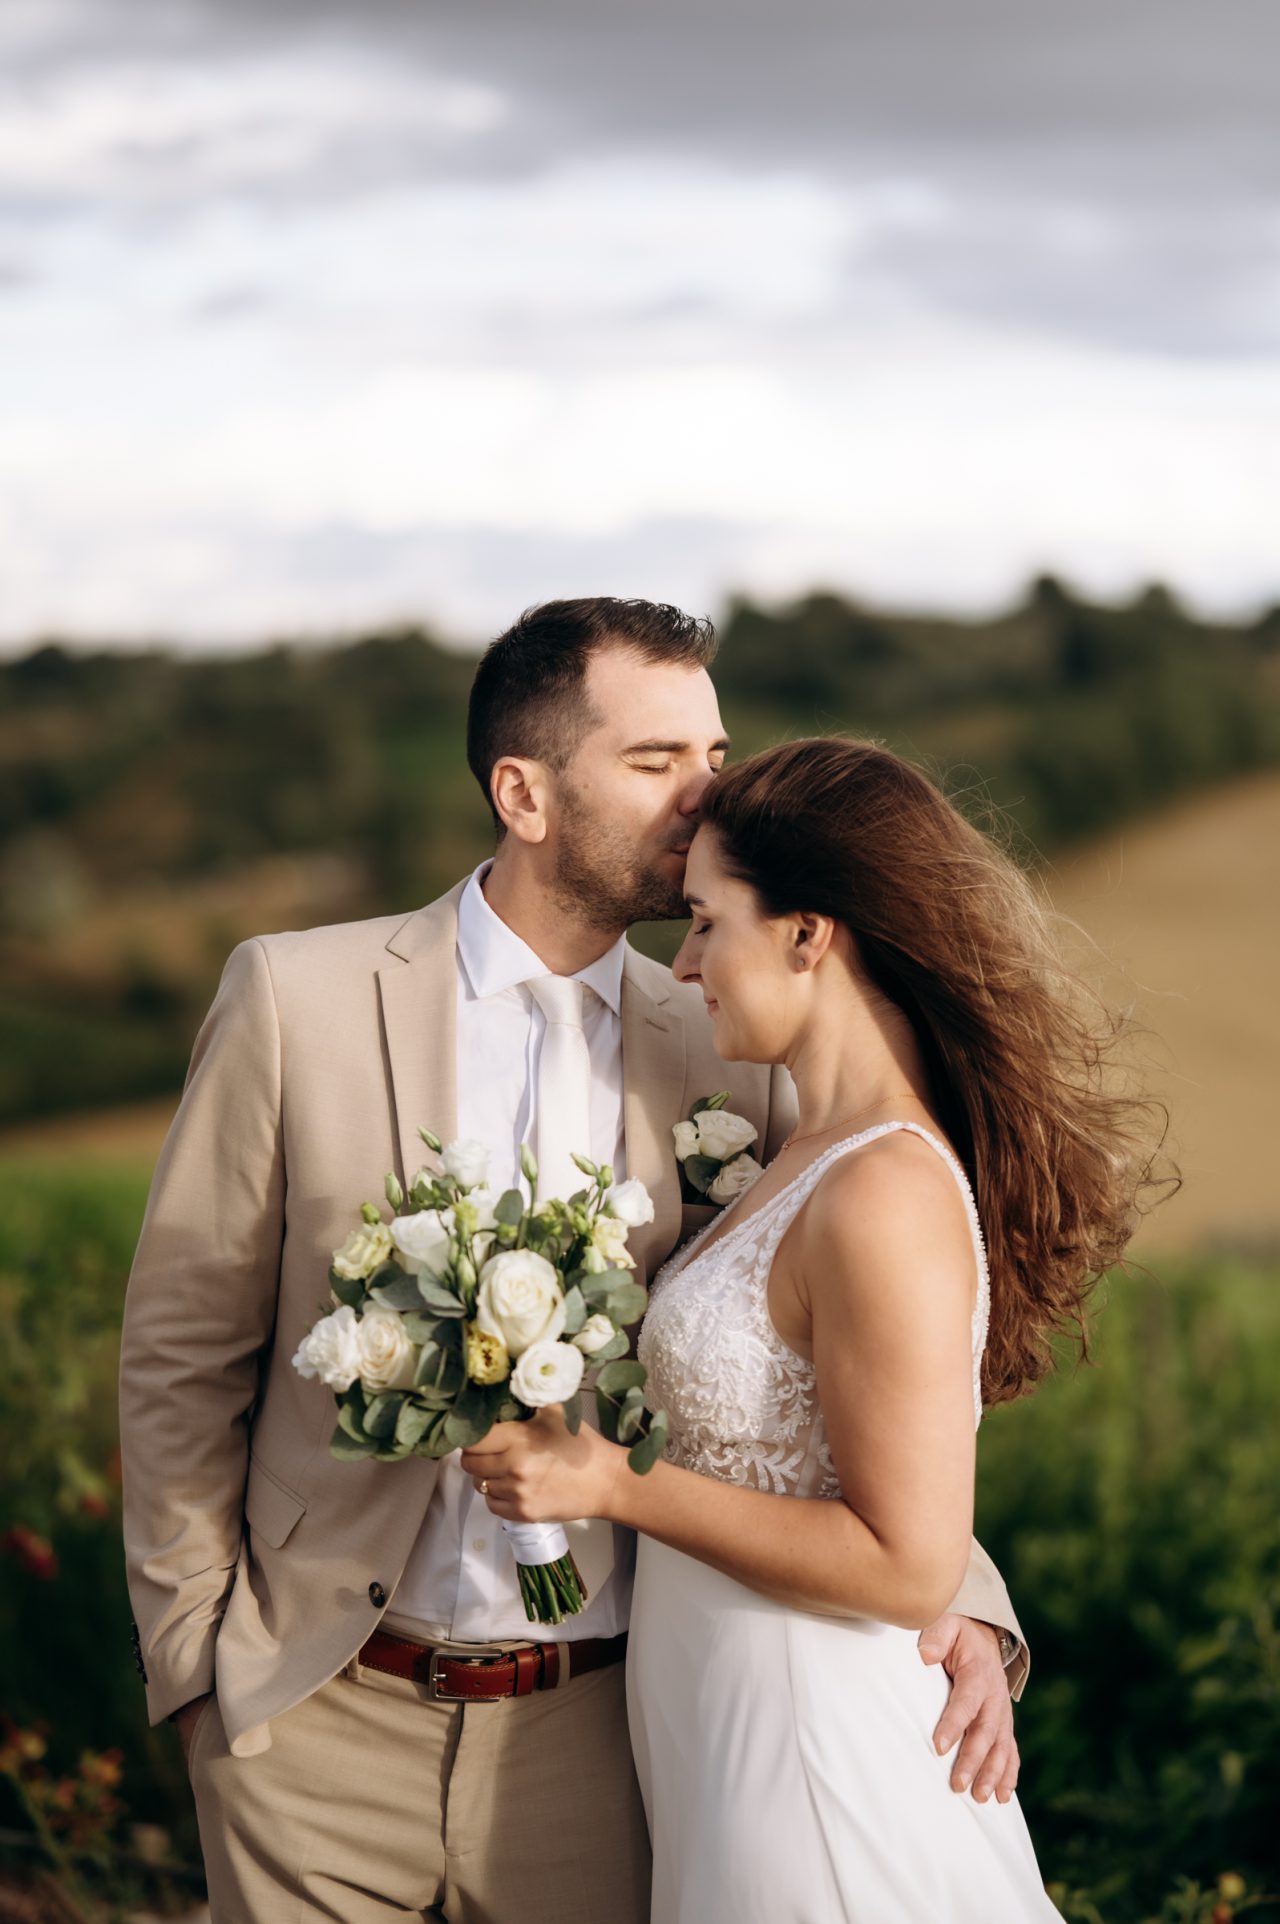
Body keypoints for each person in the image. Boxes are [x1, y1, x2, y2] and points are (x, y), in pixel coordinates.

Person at [120, 605, 1027, 1924]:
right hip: (316, 1717)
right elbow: (180, 1355)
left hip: (607, 1741)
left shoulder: (734, 1043)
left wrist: (969, 1608)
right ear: (523, 793)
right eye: (660, 759)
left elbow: (851, 1365)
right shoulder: (293, 1001)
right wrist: (199, 1664)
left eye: (716, 750)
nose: (711, 793)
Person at [462, 733, 1159, 1922]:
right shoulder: (802, 1149)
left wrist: (614, 1487)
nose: (682, 964)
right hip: (724, 1734)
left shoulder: (882, 1187)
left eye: (702, 920)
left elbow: (905, 1559)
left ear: (805, 931)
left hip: (812, 1756)